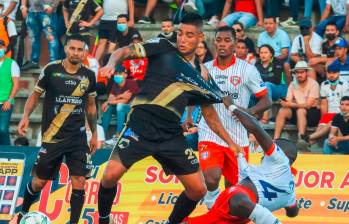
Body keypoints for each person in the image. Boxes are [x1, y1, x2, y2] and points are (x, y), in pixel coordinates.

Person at [97, 13, 240, 224]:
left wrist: (231, 143)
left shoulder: (201, 73)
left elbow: (209, 113)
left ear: (200, 37)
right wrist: (110, 63)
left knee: (198, 189)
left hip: (171, 134)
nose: (182, 39)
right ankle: (103, 218)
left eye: (189, 35)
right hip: (141, 125)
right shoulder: (163, 46)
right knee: (109, 176)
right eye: (180, 33)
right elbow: (123, 51)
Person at [15, 34, 97, 224]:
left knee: (80, 182)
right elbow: (35, 95)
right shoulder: (51, 70)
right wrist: (26, 116)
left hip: (77, 138)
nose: (76, 52)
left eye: (80, 49)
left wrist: (92, 134)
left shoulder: (89, 75)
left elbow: (91, 106)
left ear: (85, 52)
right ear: (66, 49)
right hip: (52, 137)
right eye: (73, 48)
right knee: (39, 182)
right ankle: (22, 213)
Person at [183, 98, 299, 224]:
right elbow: (293, 213)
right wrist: (287, 204)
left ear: (284, 154)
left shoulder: (280, 158)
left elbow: (255, 127)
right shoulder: (291, 192)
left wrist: (232, 107)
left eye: (274, 145)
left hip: (240, 204)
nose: (266, 150)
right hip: (240, 207)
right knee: (237, 202)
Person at [198, 26, 271, 209]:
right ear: (214, 42)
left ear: (235, 43)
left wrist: (249, 112)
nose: (222, 44)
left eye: (227, 40)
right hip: (210, 132)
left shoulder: (247, 70)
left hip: (238, 136)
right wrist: (190, 116)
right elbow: (195, 96)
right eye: (219, 40)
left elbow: (266, 100)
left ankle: (224, 215)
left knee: (233, 188)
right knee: (211, 178)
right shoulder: (205, 69)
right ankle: (212, 208)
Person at [298, 63, 349, 150]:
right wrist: (323, 119)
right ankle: (308, 143)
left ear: (339, 73)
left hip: (340, 113)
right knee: (321, 127)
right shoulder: (324, 84)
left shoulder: (345, 85)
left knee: (329, 125)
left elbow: (345, 104)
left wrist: (336, 117)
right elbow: (324, 104)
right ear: (326, 73)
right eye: (329, 73)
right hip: (329, 113)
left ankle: (307, 138)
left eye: (334, 73)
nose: (331, 75)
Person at [274, 61, 321, 147]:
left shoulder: (314, 84)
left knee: (301, 110)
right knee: (283, 110)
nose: (299, 75)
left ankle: (301, 138)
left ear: (306, 72)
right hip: (298, 112)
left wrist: (292, 104)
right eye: (297, 73)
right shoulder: (293, 84)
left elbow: (308, 105)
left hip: (313, 114)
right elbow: (288, 101)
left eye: (302, 72)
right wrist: (287, 103)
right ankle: (275, 140)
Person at [101, 66, 139, 137]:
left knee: (120, 106)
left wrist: (111, 100)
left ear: (125, 75)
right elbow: (110, 99)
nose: (117, 75)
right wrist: (120, 96)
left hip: (132, 110)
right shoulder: (115, 84)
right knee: (108, 108)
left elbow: (125, 101)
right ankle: (102, 133)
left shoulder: (131, 82)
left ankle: (119, 133)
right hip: (121, 111)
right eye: (115, 74)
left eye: (120, 73)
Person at [255, 44, 289, 124]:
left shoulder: (278, 62)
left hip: (280, 89)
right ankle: (251, 115)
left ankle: (265, 117)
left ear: (271, 54)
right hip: (263, 89)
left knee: (266, 85)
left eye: (266, 52)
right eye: (261, 53)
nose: (263, 55)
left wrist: (261, 82)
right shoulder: (257, 64)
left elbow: (276, 80)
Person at [20, 0, 59, 70]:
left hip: (47, 11)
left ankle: (53, 63)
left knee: (51, 37)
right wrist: (23, 6)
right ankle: (34, 62)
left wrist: (53, 6)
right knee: (34, 38)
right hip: (32, 11)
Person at [0, 39, 20, 145]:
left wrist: (9, 100)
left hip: (5, 103)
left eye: (0, 47)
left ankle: (6, 153)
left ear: (4, 48)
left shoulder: (12, 64)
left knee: (3, 130)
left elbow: (16, 84)